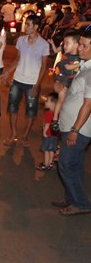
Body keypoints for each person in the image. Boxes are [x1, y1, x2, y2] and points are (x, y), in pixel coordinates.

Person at [52, 31, 91, 215]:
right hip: (70, 125)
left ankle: (80, 203)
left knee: (66, 164)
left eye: (84, 45)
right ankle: (72, 198)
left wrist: (75, 129)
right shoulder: (83, 66)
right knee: (74, 165)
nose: (79, 48)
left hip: (79, 128)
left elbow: (88, 104)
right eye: (80, 44)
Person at [1, 15, 49, 146]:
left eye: (28, 24)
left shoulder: (44, 44)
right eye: (26, 24)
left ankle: (25, 136)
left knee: (31, 112)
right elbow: (17, 59)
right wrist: (7, 72)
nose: (25, 26)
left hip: (32, 83)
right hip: (17, 79)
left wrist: (37, 85)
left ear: (36, 26)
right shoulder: (21, 40)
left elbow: (44, 67)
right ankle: (13, 134)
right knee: (12, 108)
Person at [49, 29, 81, 131]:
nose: (65, 46)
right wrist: (81, 64)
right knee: (61, 98)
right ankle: (55, 119)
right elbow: (67, 67)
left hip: (72, 80)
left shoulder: (81, 56)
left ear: (76, 45)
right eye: (64, 43)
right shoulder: (66, 56)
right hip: (63, 78)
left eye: (68, 43)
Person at [37, 92, 58, 171]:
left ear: (53, 103)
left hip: (48, 134)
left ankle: (46, 164)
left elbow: (47, 123)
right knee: (51, 149)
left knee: (46, 150)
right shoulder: (57, 113)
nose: (45, 102)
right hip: (54, 135)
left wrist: (44, 132)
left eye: (47, 101)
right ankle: (50, 163)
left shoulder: (49, 113)